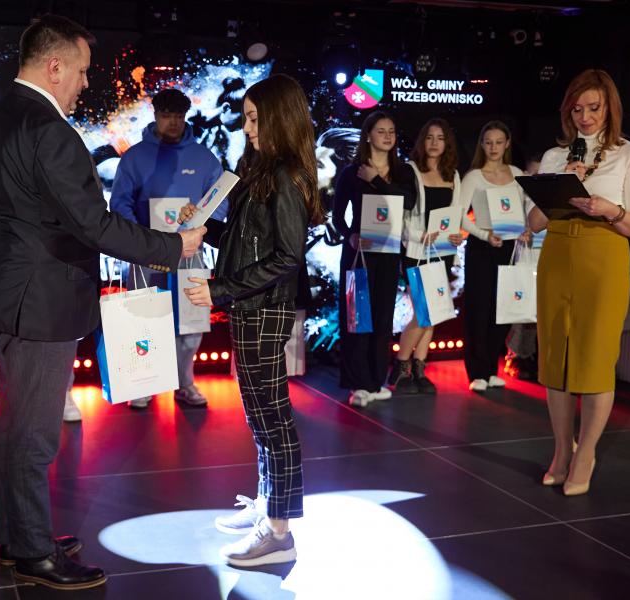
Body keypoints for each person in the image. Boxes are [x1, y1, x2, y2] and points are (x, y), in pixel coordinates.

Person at [0, 15, 205, 589]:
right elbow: (93, 224)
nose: (84, 83)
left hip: (14, 292)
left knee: (14, 428)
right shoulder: (48, 128)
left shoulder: (3, 116)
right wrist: (173, 246)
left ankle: (19, 538)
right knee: (32, 436)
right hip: (39, 299)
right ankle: (33, 553)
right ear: (54, 66)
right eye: (80, 71)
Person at [180, 73, 324, 567]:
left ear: (279, 118)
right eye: (246, 118)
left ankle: (279, 532)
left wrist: (219, 290)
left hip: (264, 309)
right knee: (261, 415)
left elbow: (287, 257)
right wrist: (208, 227)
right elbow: (250, 242)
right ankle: (268, 505)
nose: (247, 128)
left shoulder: (285, 176)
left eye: (255, 118)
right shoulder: (262, 170)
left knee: (273, 417)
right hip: (251, 307)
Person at [528, 69, 630, 496]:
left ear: (609, 108)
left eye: (593, 108)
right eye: (577, 109)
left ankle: (586, 453)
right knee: (555, 359)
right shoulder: (555, 156)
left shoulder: (629, 155)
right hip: (558, 256)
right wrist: (564, 182)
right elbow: (534, 222)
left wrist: (609, 210)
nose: (585, 117)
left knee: (595, 359)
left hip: (604, 256)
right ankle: (563, 450)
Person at [110, 87, 225, 409]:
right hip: (147, 253)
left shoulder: (203, 157)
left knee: (191, 320)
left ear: (186, 117)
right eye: (166, 115)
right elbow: (120, 203)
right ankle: (144, 383)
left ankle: (184, 382)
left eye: (178, 116)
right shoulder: (135, 157)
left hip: (190, 253)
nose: (173, 122)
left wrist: (201, 226)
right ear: (155, 115)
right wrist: (139, 239)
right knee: (143, 320)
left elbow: (220, 201)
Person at [332, 111, 416, 407]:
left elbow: (408, 202)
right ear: (368, 135)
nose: (388, 136)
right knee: (358, 319)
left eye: (391, 131)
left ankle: (375, 380)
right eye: (381, 131)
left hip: (388, 254)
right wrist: (350, 236)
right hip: (359, 254)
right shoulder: (352, 172)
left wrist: (377, 180)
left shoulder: (403, 172)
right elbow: (337, 217)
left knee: (382, 319)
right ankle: (358, 383)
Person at [388, 118, 464, 394]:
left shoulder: (453, 174)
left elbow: (455, 213)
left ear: (447, 143)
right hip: (417, 252)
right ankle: (400, 367)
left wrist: (456, 235)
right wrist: (419, 235)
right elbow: (400, 214)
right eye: (430, 137)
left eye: (440, 138)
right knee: (424, 311)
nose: (434, 143)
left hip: (442, 252)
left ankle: (419, 369)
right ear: (422, 141)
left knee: (434, 314)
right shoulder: (410, 171)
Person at [457, 121, 531, 392]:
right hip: (481, 247)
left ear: (507, 143)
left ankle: (490, 369)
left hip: (509, 249)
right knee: (479, 309)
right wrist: (483, 234)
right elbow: (459, 215)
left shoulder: (517, 174)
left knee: (503, 310)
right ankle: (477, 371)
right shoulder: (473, 177)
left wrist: (526, 229)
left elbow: (526, 208)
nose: (493, 147)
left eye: (499, 142)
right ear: (482, 144)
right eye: (488, 142)